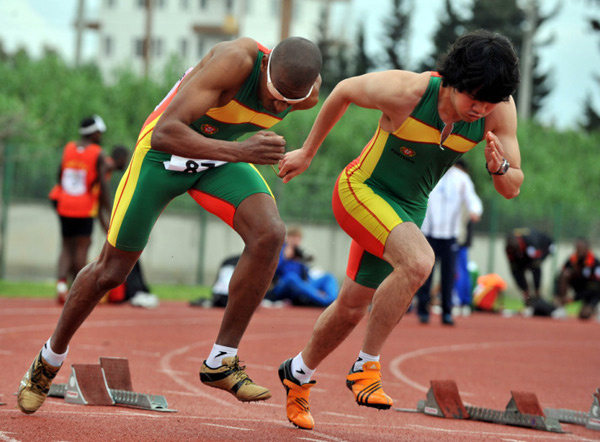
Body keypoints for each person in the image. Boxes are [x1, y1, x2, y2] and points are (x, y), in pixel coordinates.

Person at [17, 36, 322, 415]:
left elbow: (335, 100)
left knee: (271, 235)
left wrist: (306, 151)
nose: (280, 105)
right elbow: (165, 132)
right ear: (264, 66)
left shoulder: (304, 92)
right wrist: (241, 151)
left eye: (289, 101)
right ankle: (47, 361)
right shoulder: (233, 61)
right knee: (110, 273)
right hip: (163, 157)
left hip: (217, 160)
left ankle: (221, 361)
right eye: (275, 94)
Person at [276, 29, 522, 430]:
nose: (480, 109)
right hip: (362, 189)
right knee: (420, 261)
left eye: (490, 101)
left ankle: (297, 372)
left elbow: (512, 187)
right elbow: (342, 91)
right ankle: (366, 367)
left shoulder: (498, 112)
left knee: (352, 307)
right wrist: (307, 152)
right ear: (453, 80)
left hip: (407, 208)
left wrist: (500, 168)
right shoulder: (409, 92)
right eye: (473, 98)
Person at [50, 116, 111, 304]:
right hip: (84, 206)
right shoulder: (97, 153)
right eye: (99, 132)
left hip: (64, 203)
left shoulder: (68, 148)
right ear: (93, 132)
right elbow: (102, 183)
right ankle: (78, 291)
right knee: (82, 247)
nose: (101, 135)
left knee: (66, 245)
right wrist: (110, 208)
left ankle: (61, 285)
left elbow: (60, 174)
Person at [416, 160, 482, 325]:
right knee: (425, 274)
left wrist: (475, 210)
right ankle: (423, 310)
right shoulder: (427, 171)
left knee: (448, 275)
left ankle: (447, 312)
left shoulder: (461, 178)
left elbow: (472, 199)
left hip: (450, 235)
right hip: (429, 233)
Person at [265, 225, 338, 307]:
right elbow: (271, 270)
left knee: (328, 277)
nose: (296, 241)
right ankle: (325, 302)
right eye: (293, 238)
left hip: (301, 285)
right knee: (291, 277)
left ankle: (334, 302)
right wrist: (285, 258)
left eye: (298, 239)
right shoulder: (280, 250)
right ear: (288, 238)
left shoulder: (300, 253)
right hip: (281, 286)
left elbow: (305, 275)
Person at [505, 227, 554, 313]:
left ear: (519, 244)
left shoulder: (531, 242)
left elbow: (536, 265)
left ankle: (538, 297)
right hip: (525, 256)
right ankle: (528, 299)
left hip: (545, 247)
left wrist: (536, 290)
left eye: (516, 250)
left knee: (535, 266)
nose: (515, 252)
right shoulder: (509, 249)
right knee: (516, 269)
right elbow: (515, 271)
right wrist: (525, 292)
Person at [553, 238, 600, 320]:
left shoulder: (594, 263)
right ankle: (561, 308)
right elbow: (559, 277)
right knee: (565, 274)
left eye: (582, 248)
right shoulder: (572, 260)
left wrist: (573, 299)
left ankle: (594, 308)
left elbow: (596, 287)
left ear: (587, 249)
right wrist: (557, 294)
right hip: (577, 289)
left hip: (592, 293)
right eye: (578, 248)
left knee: (584, 315)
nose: (580, 251)